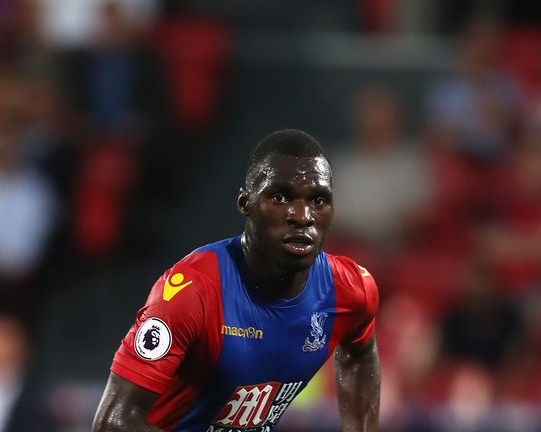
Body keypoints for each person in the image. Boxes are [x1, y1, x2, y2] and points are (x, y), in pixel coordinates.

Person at [93, 129, 380, 431]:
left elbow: (359, 354)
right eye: (280, 197)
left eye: (318, 199)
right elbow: (113, 422)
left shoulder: (350, 290)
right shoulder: (192, 292)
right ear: (245, 203)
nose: (302, 215)